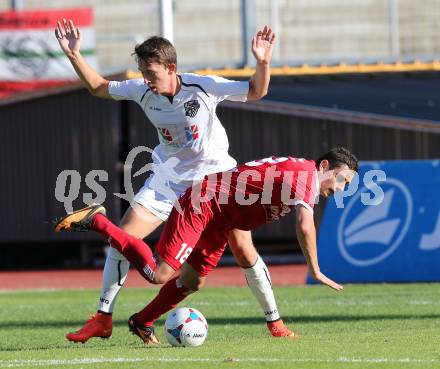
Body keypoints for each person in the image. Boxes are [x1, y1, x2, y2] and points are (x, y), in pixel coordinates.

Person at [54, 18, 292, 342]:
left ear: (171, 67)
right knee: (123, 238)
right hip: (169, 180)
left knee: (237, 255)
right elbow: (98, 87)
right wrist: (74, 56)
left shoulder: (203, 86)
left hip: (216, 181)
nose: (146, 80)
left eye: (151, 73)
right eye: (143, 73)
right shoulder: (141, 91)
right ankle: (103, 317)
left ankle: (274, 322)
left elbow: (256, 90)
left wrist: (262, 62)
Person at [55, 147, 359, 343]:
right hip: (204, 204)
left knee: (192, 281)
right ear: (324, 166)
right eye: (342, 179)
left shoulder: (301, 174)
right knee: (160, 273)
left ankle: (142, 321)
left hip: (221, 217)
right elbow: (305, 225)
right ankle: (97, 221)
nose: (342, 188)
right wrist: (315, 270)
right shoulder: (305, 176)